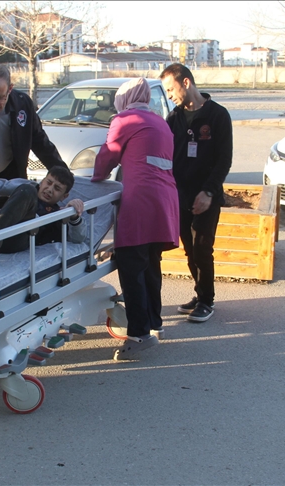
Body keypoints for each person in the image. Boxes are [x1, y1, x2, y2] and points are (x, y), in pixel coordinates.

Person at [91, 77, 179, 360]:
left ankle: (138, 336)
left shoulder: (125, 120)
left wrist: (94, 181)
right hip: (164, 201)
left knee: (131, 267)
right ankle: (154, 323)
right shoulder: (160, 122)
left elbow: (108, 157)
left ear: (123, 99)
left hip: (139, 202)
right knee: (151, 265)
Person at [160, 63, 233, 323]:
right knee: (190, 249)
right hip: (180, 196)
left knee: (203, 247)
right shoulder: (174, 119)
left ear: (186, 83)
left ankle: (206, 300)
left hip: (206, 196)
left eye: (171, 89)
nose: (169, 95)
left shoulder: (218, 116)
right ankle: (199, 293)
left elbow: (224, 160)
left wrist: (209, 192)